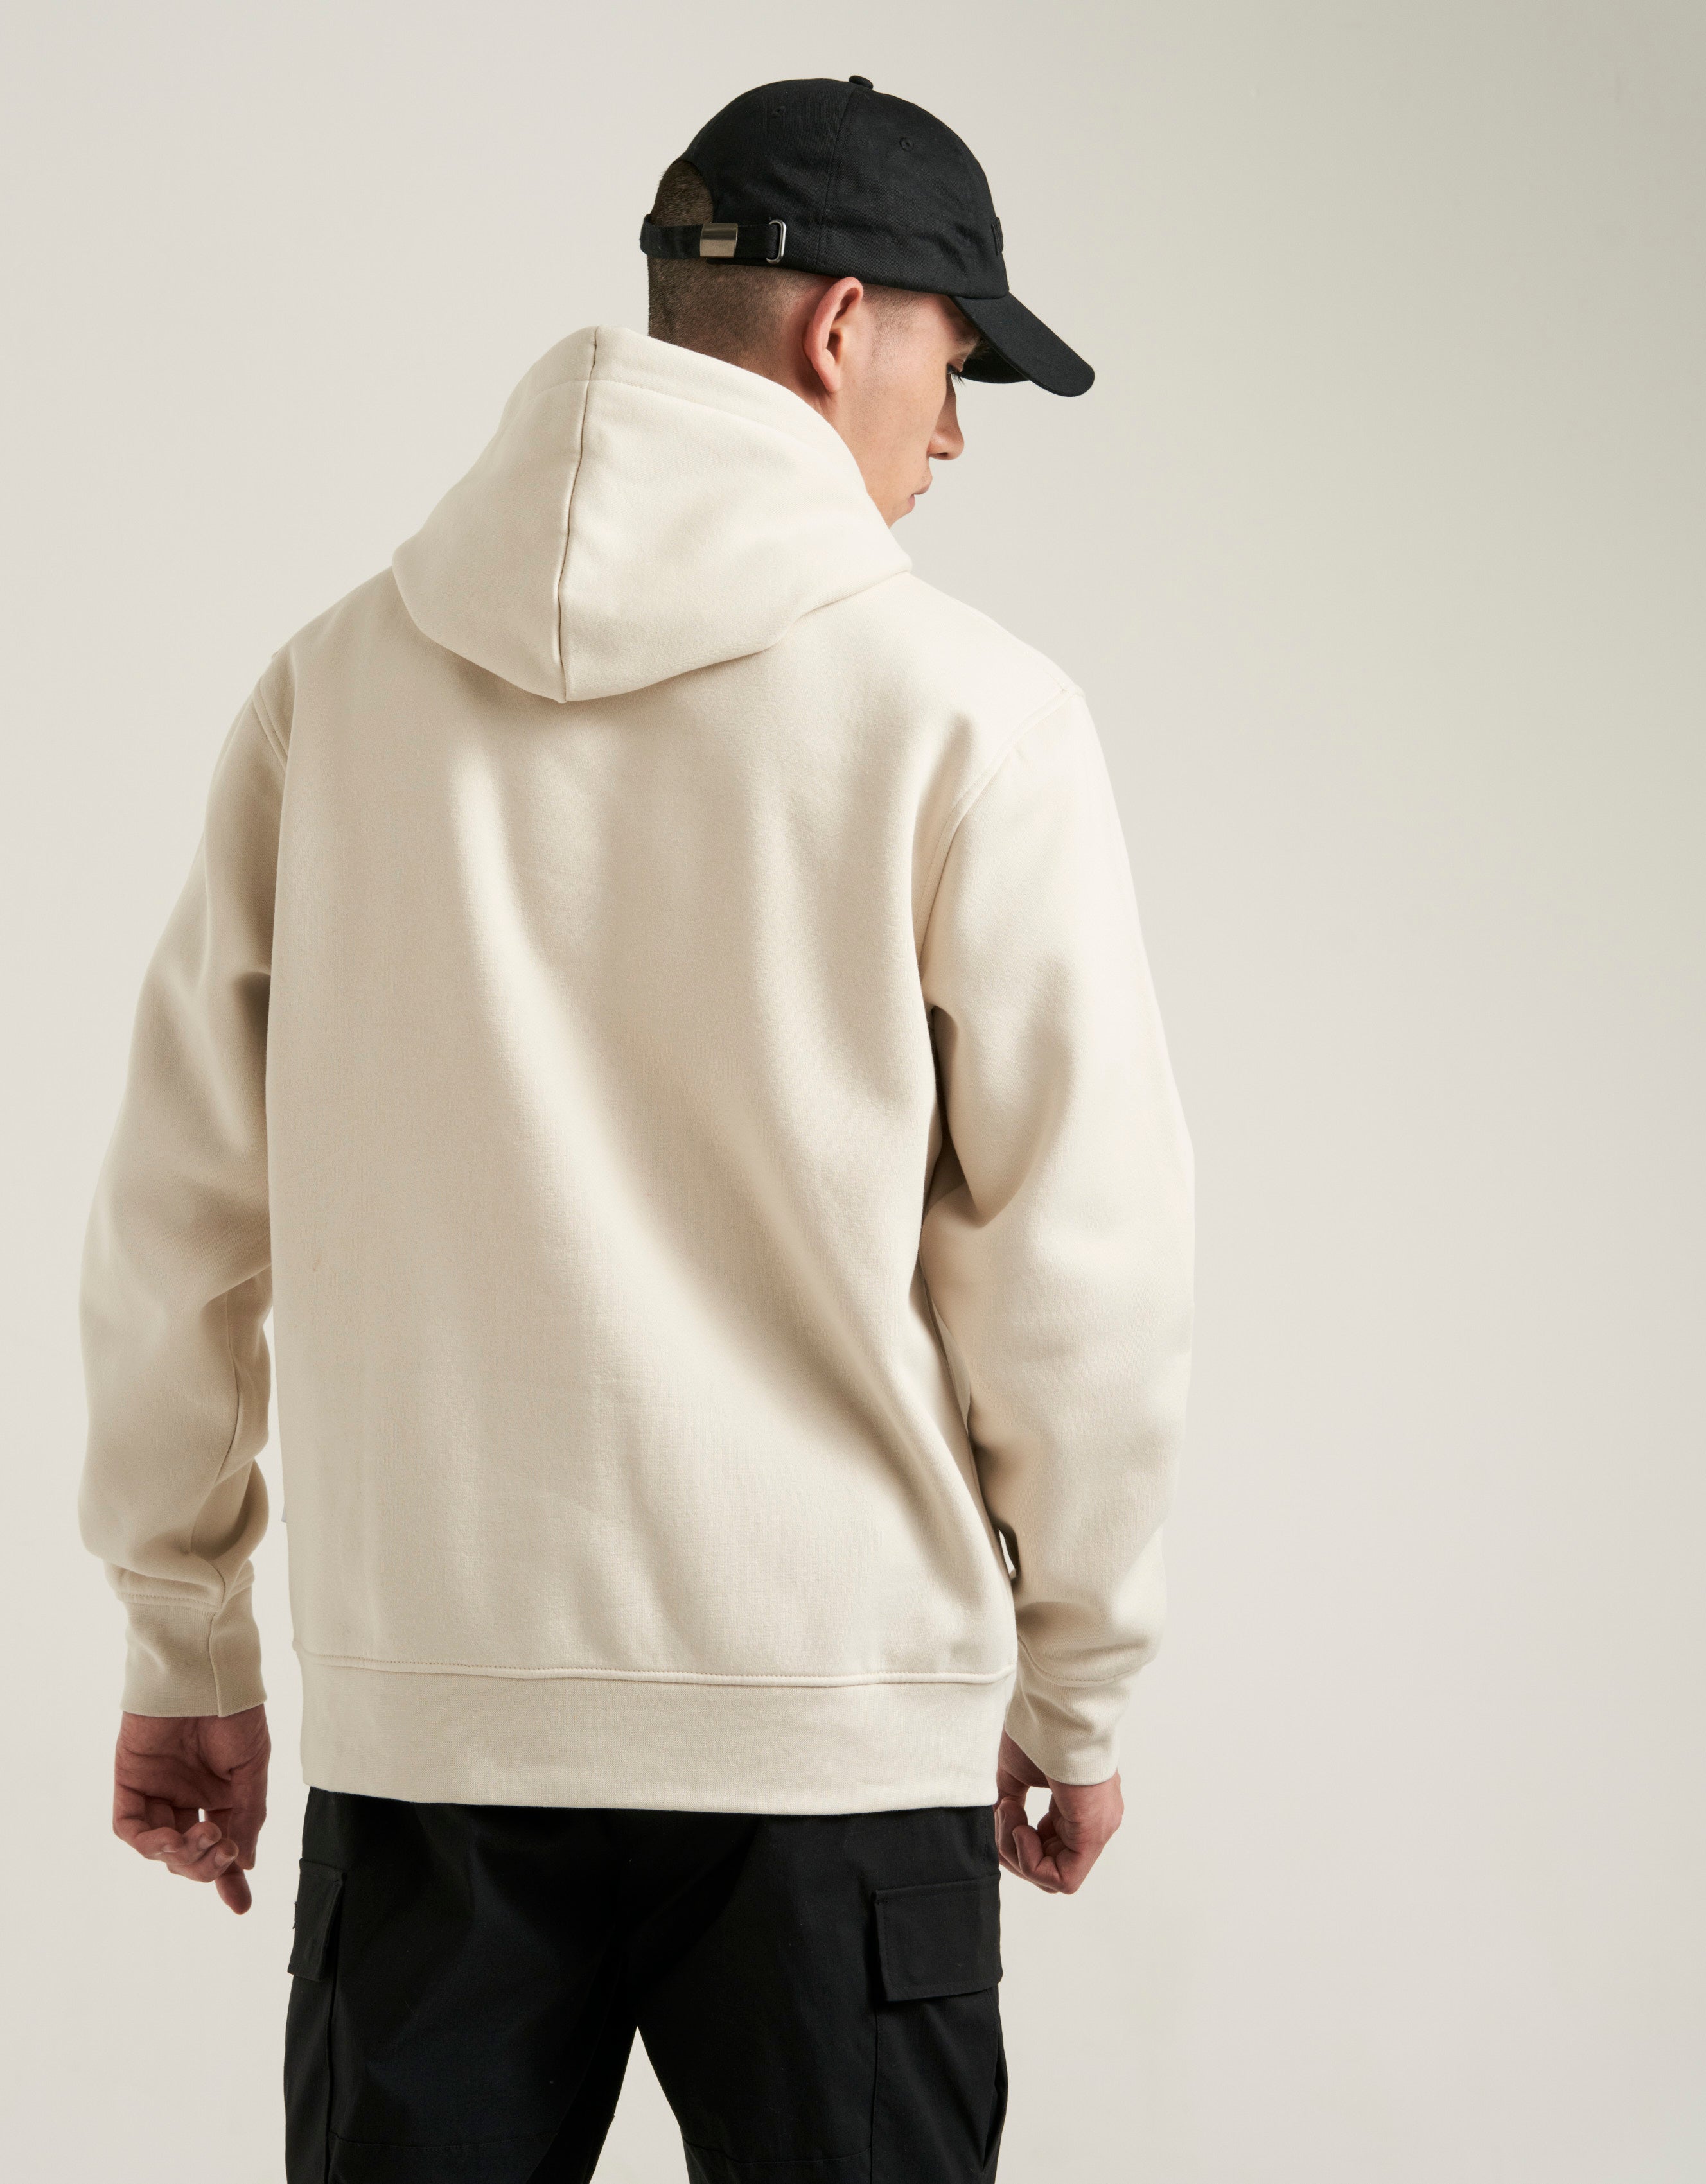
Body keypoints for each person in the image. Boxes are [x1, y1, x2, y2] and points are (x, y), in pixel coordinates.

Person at [79, 73, 1193, 2183]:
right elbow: (1084, 1259)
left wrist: (186, 1634)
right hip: (835, 1738)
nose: (953, 437)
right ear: (844, 327)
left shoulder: (336, 690)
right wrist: (1079, 1681)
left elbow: (178, 1212)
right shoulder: (973, 715)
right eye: (958, 365)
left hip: (433, 1732)